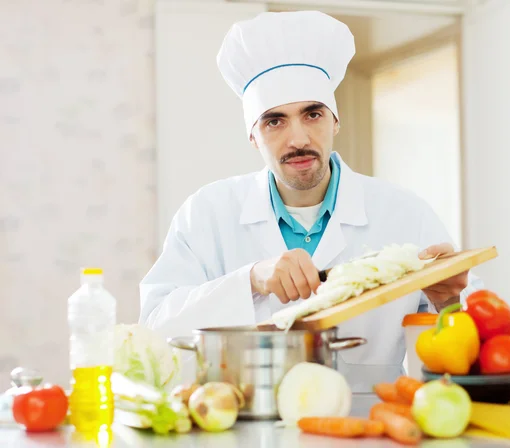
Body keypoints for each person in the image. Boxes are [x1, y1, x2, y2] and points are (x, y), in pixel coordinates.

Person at [139, 10, 483, 392]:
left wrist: (449, 303)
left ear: (334, 121)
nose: (298, 138)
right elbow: (155, 330)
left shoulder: (406, 213)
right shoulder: (206, 213)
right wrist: (251, 279)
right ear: (253, 135)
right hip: (247, 427)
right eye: (275, 121)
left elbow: (475, 350)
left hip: (370, 426)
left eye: (312, 114)